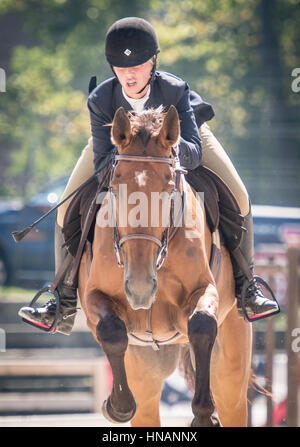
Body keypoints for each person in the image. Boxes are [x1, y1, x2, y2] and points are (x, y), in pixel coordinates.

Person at [18, 17, 279, 335]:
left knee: (238, 194)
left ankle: (247, 288)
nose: (128, 74)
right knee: (63, 209)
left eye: (138, 66)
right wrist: (133, 159)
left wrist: (162, 152)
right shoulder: (101, 100)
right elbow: (102, 162)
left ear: (152, 63)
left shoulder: (174, 89)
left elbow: (194, 152)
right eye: (120, 67)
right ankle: (62, 299)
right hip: (121, 148)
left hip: (181, 140)